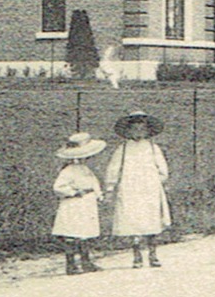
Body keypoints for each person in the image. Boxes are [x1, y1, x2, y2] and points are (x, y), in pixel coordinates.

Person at [105, 110, 171, 268]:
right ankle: (137, 255)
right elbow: (113, 169)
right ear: (128, 131)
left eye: (142, 129)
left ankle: (153, 254)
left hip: (149, 189)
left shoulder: (153, 148)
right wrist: (110, 187)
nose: (138, 132)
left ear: (148, 130)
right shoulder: (123, 149)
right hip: (130, 188)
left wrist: (156, 181)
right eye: (134, 129)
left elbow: (163, 170)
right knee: (133, 221)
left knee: (151, 221)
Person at [51, 131, 105, 275]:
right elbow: (58, 187)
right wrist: (74, 192)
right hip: (73, 205)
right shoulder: (68, 170)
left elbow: (94, 183)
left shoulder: (85, 169)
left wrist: (98, 194)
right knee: (72, 235)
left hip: (87, 204)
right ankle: (71, 265)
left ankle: (86, 262)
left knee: (85, 234)